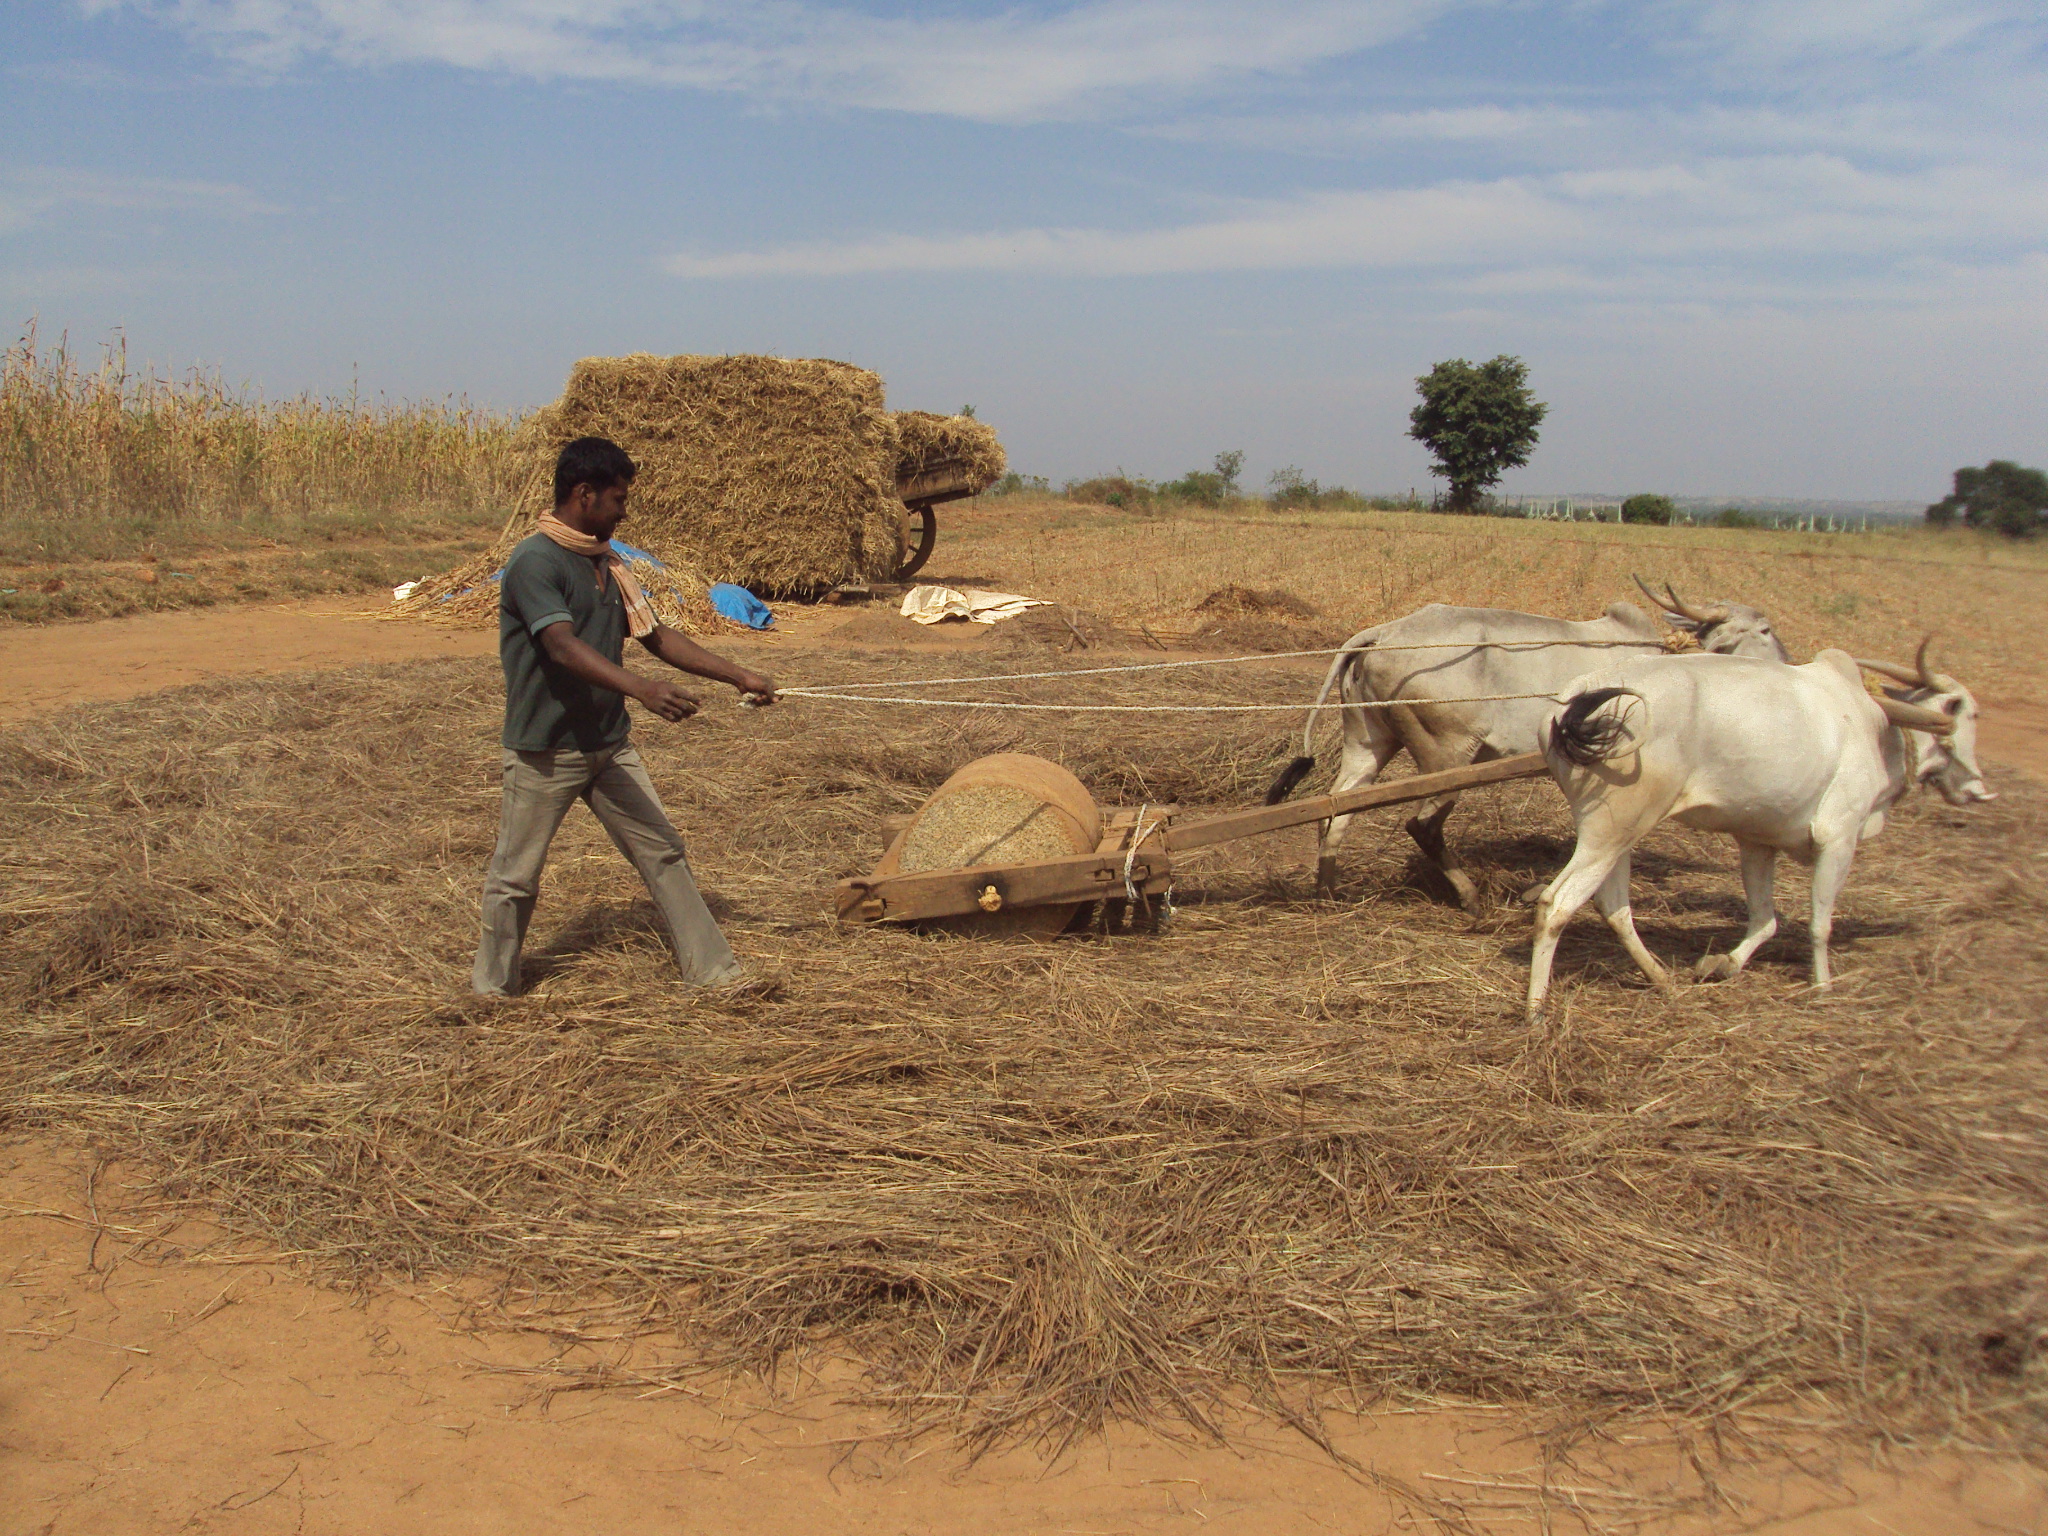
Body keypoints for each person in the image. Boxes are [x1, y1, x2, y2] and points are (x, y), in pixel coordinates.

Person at [473, 436, 778, 997]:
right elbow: (562, 646)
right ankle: (491, 990)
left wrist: (740, 675)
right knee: (516, 877)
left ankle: (715, 975)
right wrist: (639, 688)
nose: (623, 511)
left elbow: (657, 636)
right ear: (584, 495)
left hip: (607, 744)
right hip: (547, 748)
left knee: (662, 851)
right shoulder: (534, 561)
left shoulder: (608, 564)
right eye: (617, 499)